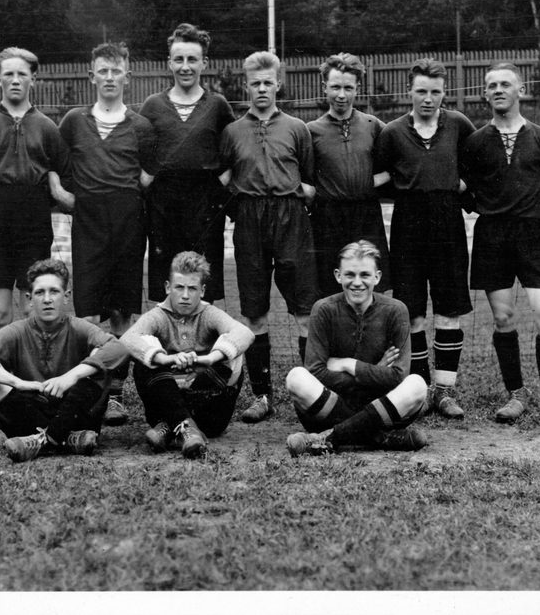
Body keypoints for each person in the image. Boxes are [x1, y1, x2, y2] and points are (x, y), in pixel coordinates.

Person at [459, 63, 540, 425]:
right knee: (503, 317)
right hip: (492, 237)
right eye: (492, 85)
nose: (498, 90)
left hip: (533, 235)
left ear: (521, 90)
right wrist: (487, 207)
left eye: (506, 84)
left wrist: (529, 209)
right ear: (485, 94)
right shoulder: (475, 141)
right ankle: (516, 395)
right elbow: (462, 188)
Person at [0, 47, 73, 432]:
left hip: (34, 219)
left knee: (33, 313)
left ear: (32, 79)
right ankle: (0, 402)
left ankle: (35, 397)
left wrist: (51, 190)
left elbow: (61, 173)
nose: (14, 80)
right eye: (8, 74)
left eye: (21, 74)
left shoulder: (48, 127)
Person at [57, 42, 156, 425]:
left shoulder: (141, 126)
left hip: (128, 222)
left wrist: (123, 193)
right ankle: (91, 391)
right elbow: (55, 163)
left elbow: (149, 173)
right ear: (92, 76)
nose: (110, 77)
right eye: (103, 71)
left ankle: (115, 393)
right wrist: (63, 195)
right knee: (87, 312)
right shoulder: (73, 121)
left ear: (127, 77)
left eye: (116, 71)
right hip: (88, 223)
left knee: (122, 311)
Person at [218, 51, 318, 423]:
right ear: (246, 86)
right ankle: (262, 396)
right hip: (249, 221)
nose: (261, 89)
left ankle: (311, 393)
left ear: (279, 84)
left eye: (267, 82)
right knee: (254, 313)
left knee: (305, 311)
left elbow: (310, 182)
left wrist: (292, 204)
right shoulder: (232, 132)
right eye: (255, 83)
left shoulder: (297, 128)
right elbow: (223, 181)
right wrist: (245, 211)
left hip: (291, 219)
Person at [375, 58, 476, 418]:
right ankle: (418, 389)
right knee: (412, 313)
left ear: (444, 92)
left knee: (449, 310)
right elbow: (379, 178)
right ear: (410, 91)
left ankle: (444, 392)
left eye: (435, 92)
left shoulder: (459, 125)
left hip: (448, 225)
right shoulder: (392, 132)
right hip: (408, 226)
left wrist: (458, 186)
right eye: (421, 91)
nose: (428, 99)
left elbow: (478, 165)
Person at [0, 258, 131, 462]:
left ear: (66, 296)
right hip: (30, 414)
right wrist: (17, 382)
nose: (47, 299)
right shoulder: (17, 331)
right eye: (40, 292)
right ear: (29, 299)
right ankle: (67, 439)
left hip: (76, 413)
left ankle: (42, 440)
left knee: (99, 356)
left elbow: (119, 349)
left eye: (54, 291)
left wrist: (71, 376)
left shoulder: (79, 327)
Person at [283, 241, 428, 456]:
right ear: (338, 275)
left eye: (365, 275)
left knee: (417, 384)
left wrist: (349, 364)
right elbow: (315, 372)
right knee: (296, 377)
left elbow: (398, 377)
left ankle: (330, 438)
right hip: (334, 406)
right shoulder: (323, 309)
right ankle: (380, 437)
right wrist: (375, 370)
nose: (357, 282)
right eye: (350, 274)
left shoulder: (396, 310)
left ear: (377, 277)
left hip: (381, 404)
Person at [120, 251, 255, 459]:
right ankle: (187, 429)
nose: (185, 295)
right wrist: (165, 358)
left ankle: (171, 426)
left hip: (210, 416)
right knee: (144, 351)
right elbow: (126, 340)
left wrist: (210, 358)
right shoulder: (158, 315)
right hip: (164, 405)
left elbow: (245, 333)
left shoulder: (208, 313)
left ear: (202, 291)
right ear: (167, 287)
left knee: (231, 348)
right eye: (179, 287)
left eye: (192, 288)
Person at [139, 23, 235, 307]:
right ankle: (167, 334)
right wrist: (148, 180)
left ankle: (203, 333)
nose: (185, 66)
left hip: (205, 203)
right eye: (178, 59)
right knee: (166, 278)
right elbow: (138, 150)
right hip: (163, 204)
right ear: (169, 62)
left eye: (192, 59)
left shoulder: (218, 105)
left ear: (204, 63)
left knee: (202, 280)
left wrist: (219, 182)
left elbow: (234, 148)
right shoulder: (153, 106)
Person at [307, 53, 391, 297]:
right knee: (330, 290)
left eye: (348, 88)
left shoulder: (373, 125)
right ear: (324, 87)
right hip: (327, 218)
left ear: (358, 89)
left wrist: (374, 181)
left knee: (371, 286)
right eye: (335, 87)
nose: (341, 95)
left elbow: (400, 161)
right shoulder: (311, 131)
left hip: (367, 215)